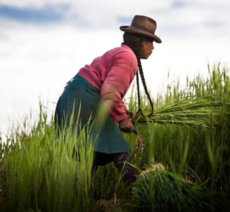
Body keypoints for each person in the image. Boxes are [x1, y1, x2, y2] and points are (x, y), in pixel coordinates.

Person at [54, 15, 161, 184]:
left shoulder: (120, 53)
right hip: (84, 97)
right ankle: (134, 187)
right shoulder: (128, 57)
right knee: (116, 144)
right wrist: (122, 118)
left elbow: (105, 84)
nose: (153, 48)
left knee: (89, 150)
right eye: (150, 42)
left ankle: (78, 194)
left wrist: (122, 111)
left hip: (75, 96)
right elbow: (110, 91)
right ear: (139, 41)